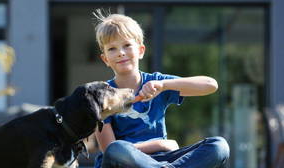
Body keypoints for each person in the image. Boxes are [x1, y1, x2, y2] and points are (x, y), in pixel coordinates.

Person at [92, 10, 230, 168]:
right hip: (126, 163)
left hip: (164, 160)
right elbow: (109, 149)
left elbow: (211, 84)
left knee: (219, 146)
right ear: (105, 59)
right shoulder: (101, 95)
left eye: (127, 45)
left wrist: (164, 85)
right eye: (112, 49)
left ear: (141, 51)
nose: (121, 53)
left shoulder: (157, 82)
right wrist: (159, 144)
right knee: (118, 149)